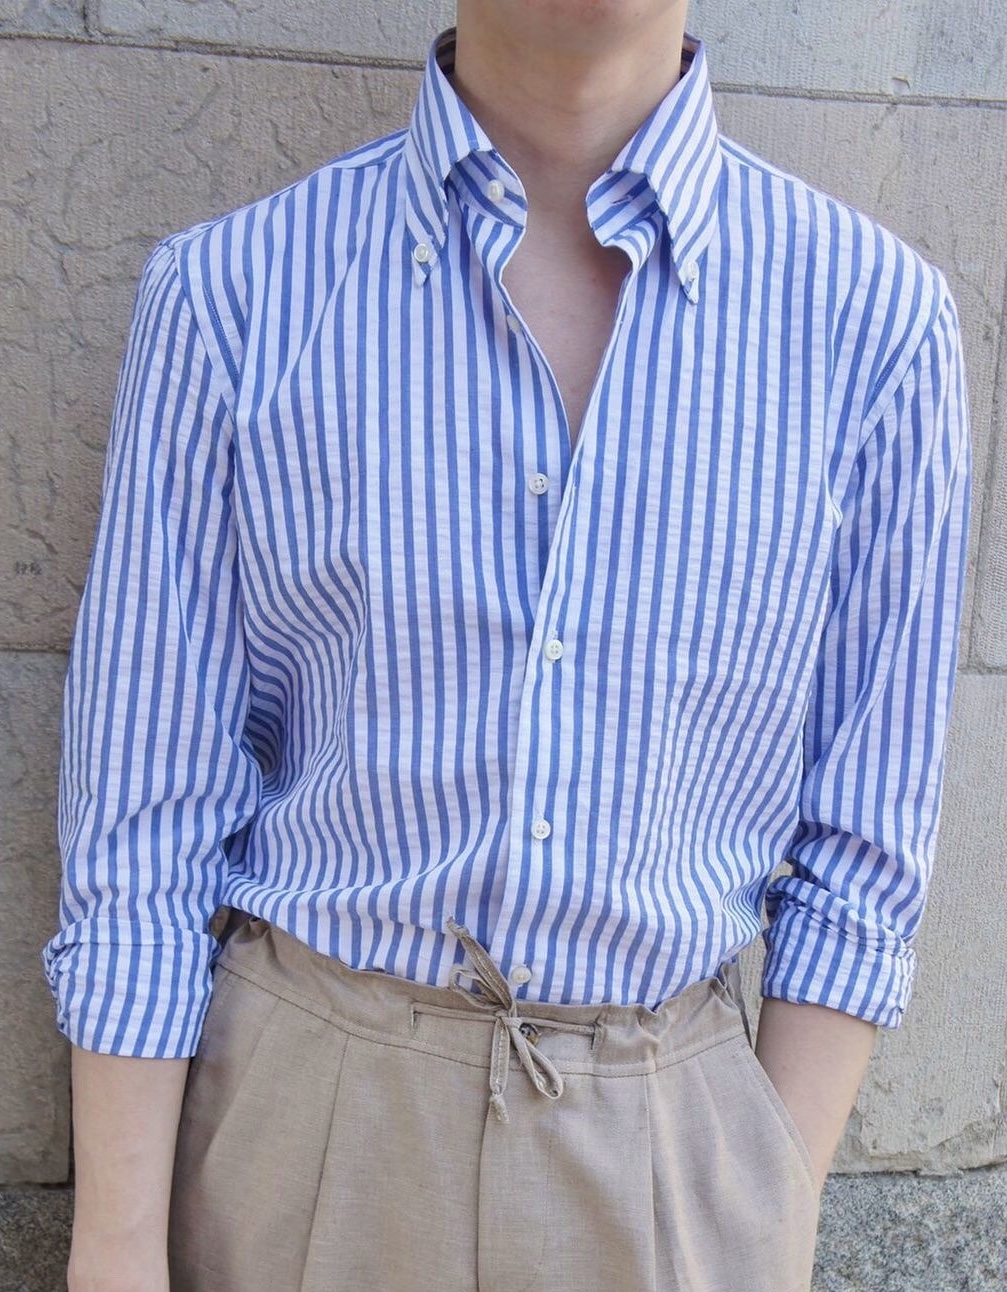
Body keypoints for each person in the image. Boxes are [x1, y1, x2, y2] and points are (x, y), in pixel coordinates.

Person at [42, 2, 972, 1290]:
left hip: (678, 1150)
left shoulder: (876, 325)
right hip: (305, 1136)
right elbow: (144, 816)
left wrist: (769, 1203)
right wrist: (115, 1245)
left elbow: (864, 841)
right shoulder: (235, 293)